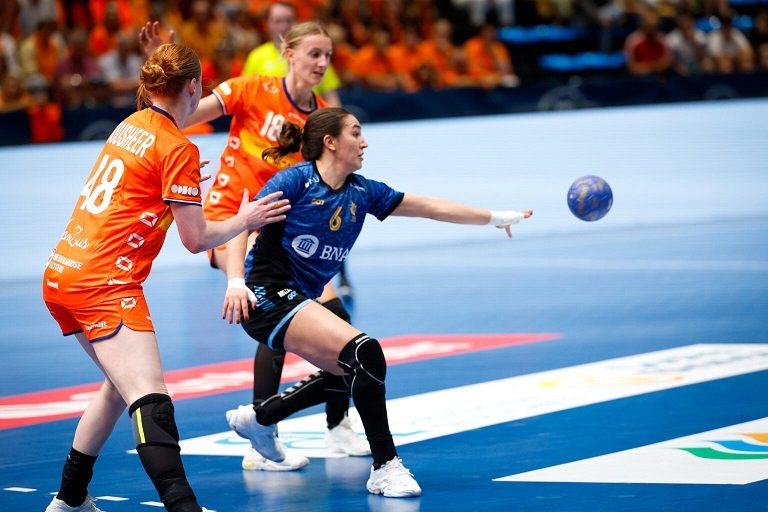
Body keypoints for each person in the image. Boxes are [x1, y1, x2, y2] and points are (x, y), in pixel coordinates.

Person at [226, 106, 533, 498]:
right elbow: (241, 225)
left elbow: (430, 207)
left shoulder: (362, 192)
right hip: (265, 296)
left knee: (352, 369)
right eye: (355, 133)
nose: (364, 141)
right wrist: (236, 282)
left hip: (300, 297)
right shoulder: (294, 183)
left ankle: (261, 419)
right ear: (330, 142)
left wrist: (494, 217)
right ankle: (385, 467)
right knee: (365, 351)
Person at [41, 43, 290, 512]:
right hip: (103, 283)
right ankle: (183, 505)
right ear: (194, 88)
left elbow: (132, 192)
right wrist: (247, 217)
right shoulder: (178, 146)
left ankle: (71, 498)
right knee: (149, 397)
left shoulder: (130, 125)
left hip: (62, 273)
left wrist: (181, 189)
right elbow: (196, 240)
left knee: (119, 386)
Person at [139, 19, 369, 472]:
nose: (322, 63)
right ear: (289, 53)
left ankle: (321, 427)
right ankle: (272, 435)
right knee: (296, 322)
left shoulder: (321, 119)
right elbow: (179, 114)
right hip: (232, 223)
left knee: (327, 322)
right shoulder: (249, 88)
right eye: (314, 54)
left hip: (278, 231)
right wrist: (164, 69)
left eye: (328, 56)